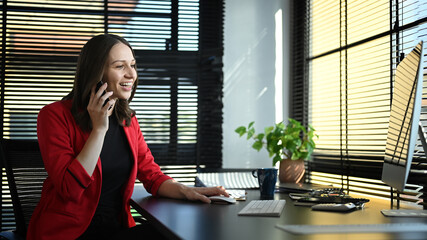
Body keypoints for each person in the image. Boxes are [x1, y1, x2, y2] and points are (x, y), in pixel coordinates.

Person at [26, 34, 229, 240]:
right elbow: (70, 190)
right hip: (69, 234)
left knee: (175, 233)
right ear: (96, 72)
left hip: (116, 229)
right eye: (119, 66)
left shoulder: (127, 119)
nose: (131, 74)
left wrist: (186, 190)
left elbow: (152, 176)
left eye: (132, 65)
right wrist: (98, 130)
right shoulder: (54, 115)